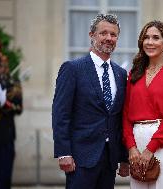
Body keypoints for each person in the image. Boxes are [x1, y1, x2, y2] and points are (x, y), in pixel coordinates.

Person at [52, 14, 129, 189]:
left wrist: (124, 158)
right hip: (80, 158)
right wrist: (64, 152)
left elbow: (120, 119)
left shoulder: (120, 74)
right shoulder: (72, 69)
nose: (109, 38)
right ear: (92, 35)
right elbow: (60, 114)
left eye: (113, 34)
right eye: (103, 33)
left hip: (109, 160)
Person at [122, 20, 163, 189]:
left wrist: (150, 149)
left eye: (156, 38)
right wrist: (131, 147)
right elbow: (126, 113)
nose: (150, 42)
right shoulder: (134, 73)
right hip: (136, 141)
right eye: (146, 37)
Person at [0, 50, 23, 189]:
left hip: (4, 134)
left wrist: (3, 102)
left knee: (3, 176)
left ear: (3, 67)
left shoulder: (11, 83)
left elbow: (18, 108)